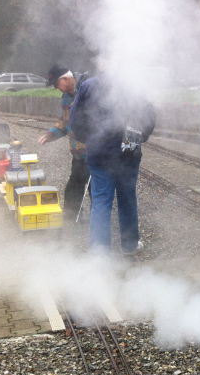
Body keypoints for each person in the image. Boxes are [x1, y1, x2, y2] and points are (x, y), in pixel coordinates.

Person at [70, 73, 156, 256]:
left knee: (101, 200)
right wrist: (140, 137)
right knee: (127, 199)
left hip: (99, 151)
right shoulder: (132, 81)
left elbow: (76, 118)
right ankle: (130, 245)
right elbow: (148, 114)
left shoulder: (89, 85)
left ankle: (100, 252)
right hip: (128, 153)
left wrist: (88, 138)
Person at [37, 63, 90, 221]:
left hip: (94, 152)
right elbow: (62, 124)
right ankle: (71, 218)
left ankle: (99, 221)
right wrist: (48, 136)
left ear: (66, 79)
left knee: (96, 189)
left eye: (56, 84)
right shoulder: (66, 97)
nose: (55, 88)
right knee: (74, 186)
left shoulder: (87, 91)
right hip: (78, 154)